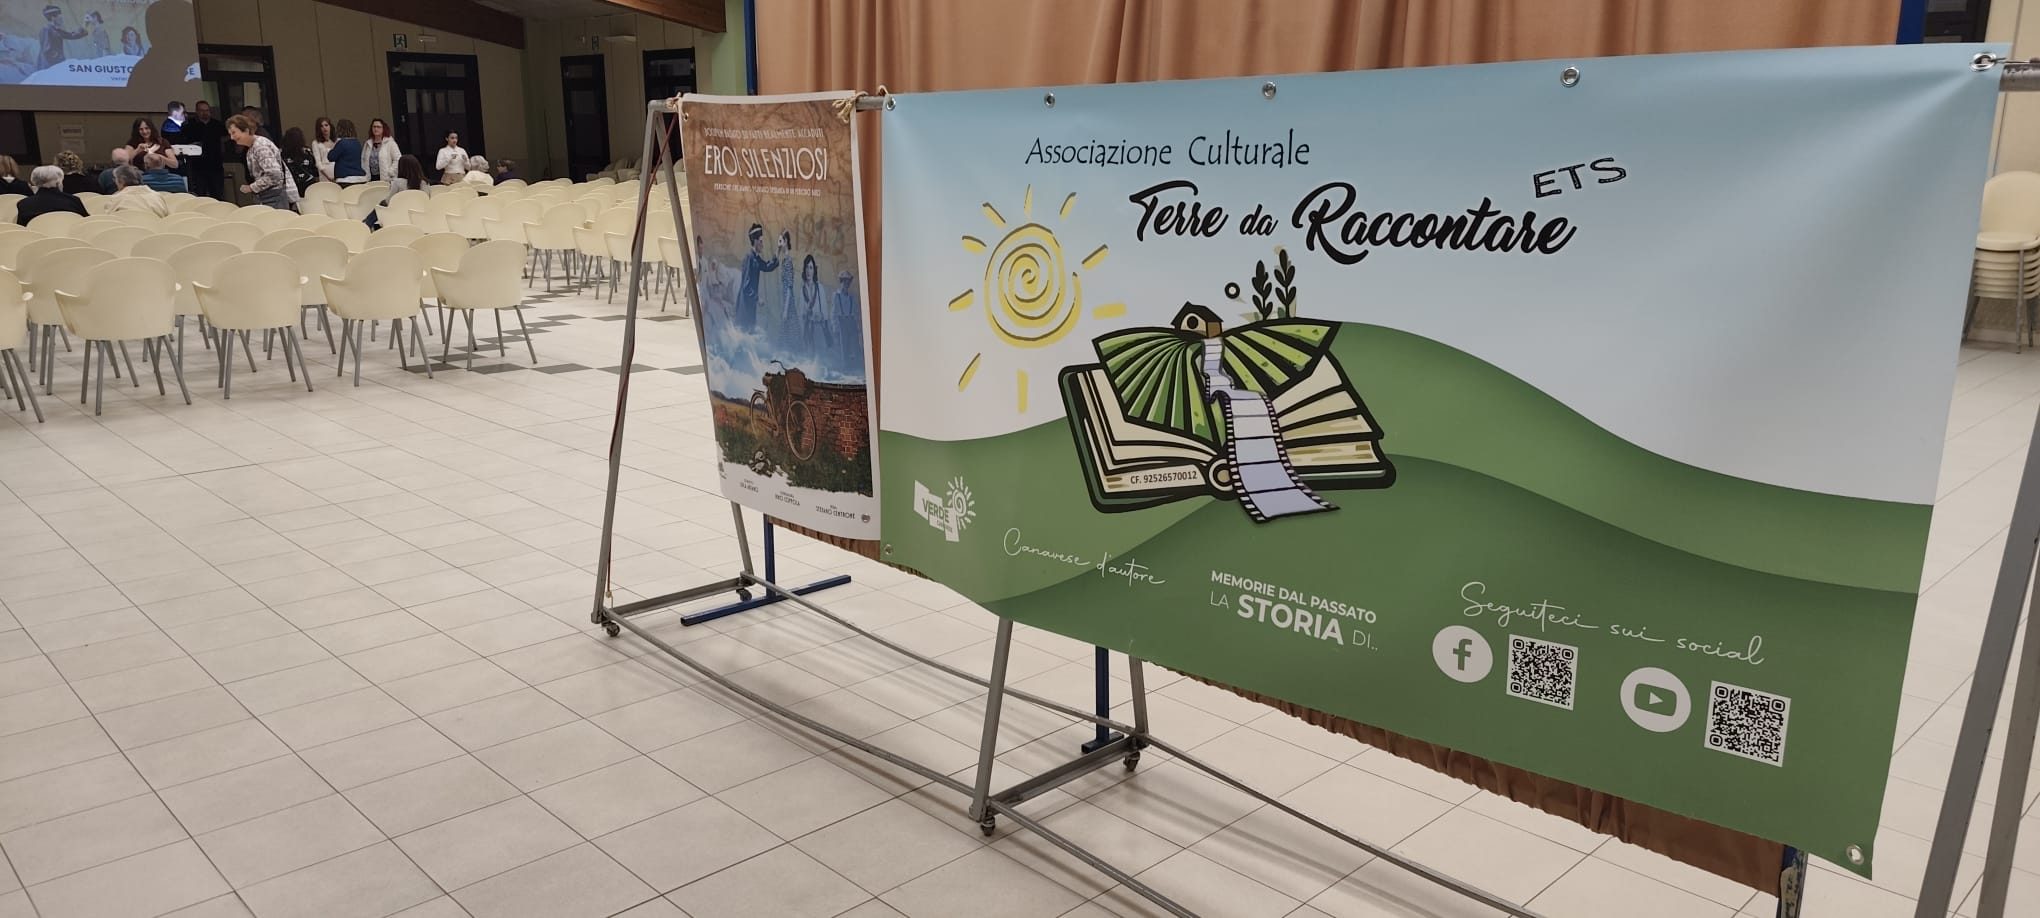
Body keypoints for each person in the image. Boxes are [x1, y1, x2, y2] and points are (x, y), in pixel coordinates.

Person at [230, 113, 296, 209]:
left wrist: (252, 187)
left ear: (246, 130)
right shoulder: (253, 146)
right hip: (267, 195)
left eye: (234, 132)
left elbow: (274, 174)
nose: (231, 137)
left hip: (273, 196)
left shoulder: (260, 146)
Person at [736, 224, 779, 334]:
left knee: (750, 333)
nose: (762, 245)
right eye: (761, 241)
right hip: (745, 306)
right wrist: (757, 298)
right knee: (745, 334)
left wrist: (778, 250)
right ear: (755, 241)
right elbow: (746, 287)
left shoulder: (756, 258)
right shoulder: (749, 259)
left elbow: (767, 266)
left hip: (751, 305)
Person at [182, 100, 226, 199]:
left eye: (207, 110)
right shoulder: (189, 125)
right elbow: (183, 142)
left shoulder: (217, 124)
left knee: (217, 194)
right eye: (202, 110)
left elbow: (226, 137)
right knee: (200, 194)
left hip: (215, 164)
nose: (205, 113)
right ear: (197, 111)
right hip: (197, 165)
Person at [17, 166, 86, 226]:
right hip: (68, 236)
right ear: (58, 183)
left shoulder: (24, 204)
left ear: (35, 183)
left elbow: (22, 229)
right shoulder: (73, 201)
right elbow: (85, 223)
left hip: (38, 237)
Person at [37, 6, 84, 72]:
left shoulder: (56, 30)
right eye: (60, 17)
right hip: (49, 68)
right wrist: (57, 60)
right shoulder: (46, 30)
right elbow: (47, 50)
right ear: (53, 17)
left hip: (56, 65)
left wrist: (84, 28)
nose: (62, 20)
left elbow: (71, 35)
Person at [833, 269, 861, 368]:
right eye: (844, 281)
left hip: (851, 322)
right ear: (841, 282)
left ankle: (856, 365)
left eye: (848, 282)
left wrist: (857, 325)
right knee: (844, 346)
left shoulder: (851, 297)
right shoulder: (837, 296)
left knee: (854, 345)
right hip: (842, 323)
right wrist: (835, 328)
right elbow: (834, 313)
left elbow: (855, 312)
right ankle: (845, 366)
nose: (846, 284)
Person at [280, 127, 318, 196]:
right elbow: (314, 168)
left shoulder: (283, 154)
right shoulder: (307, 151)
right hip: (308, 183)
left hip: (293, 185)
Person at [363, 118, 399, 187]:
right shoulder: (368, 143)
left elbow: (397, 159)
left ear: (383, 129)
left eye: (378, 127)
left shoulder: (390, 143)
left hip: (386, 178)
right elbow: (363, 159)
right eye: (374, 127)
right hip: (371, 178)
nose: (376, 129)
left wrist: (390, 172)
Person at [328, 120, 365, 185]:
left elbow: (331, 157)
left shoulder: (341, 143)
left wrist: (333, 145)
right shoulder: (357, 143)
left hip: (345, 179)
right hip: (360, 178)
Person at [310, 117, 336, 182]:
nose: (324, 128)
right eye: (321, 126)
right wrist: (328, 177)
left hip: (338, 172)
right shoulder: (316, 143)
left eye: (326, 125)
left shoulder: (337, 141)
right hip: (325, 174)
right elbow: (318, 162)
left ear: (330, 126)